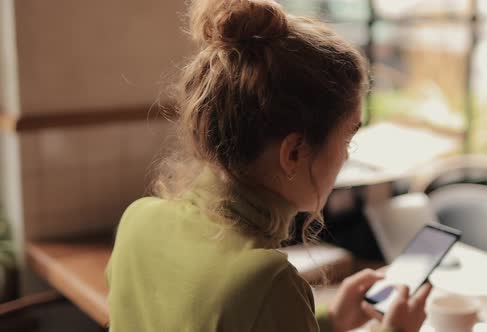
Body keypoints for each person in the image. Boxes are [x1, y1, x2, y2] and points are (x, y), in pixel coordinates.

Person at [106, 0, 431, 331]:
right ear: (293, 152)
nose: (346, 157)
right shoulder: (267, 282)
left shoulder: (138, 219)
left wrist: (330, 320)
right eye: (347, 139)